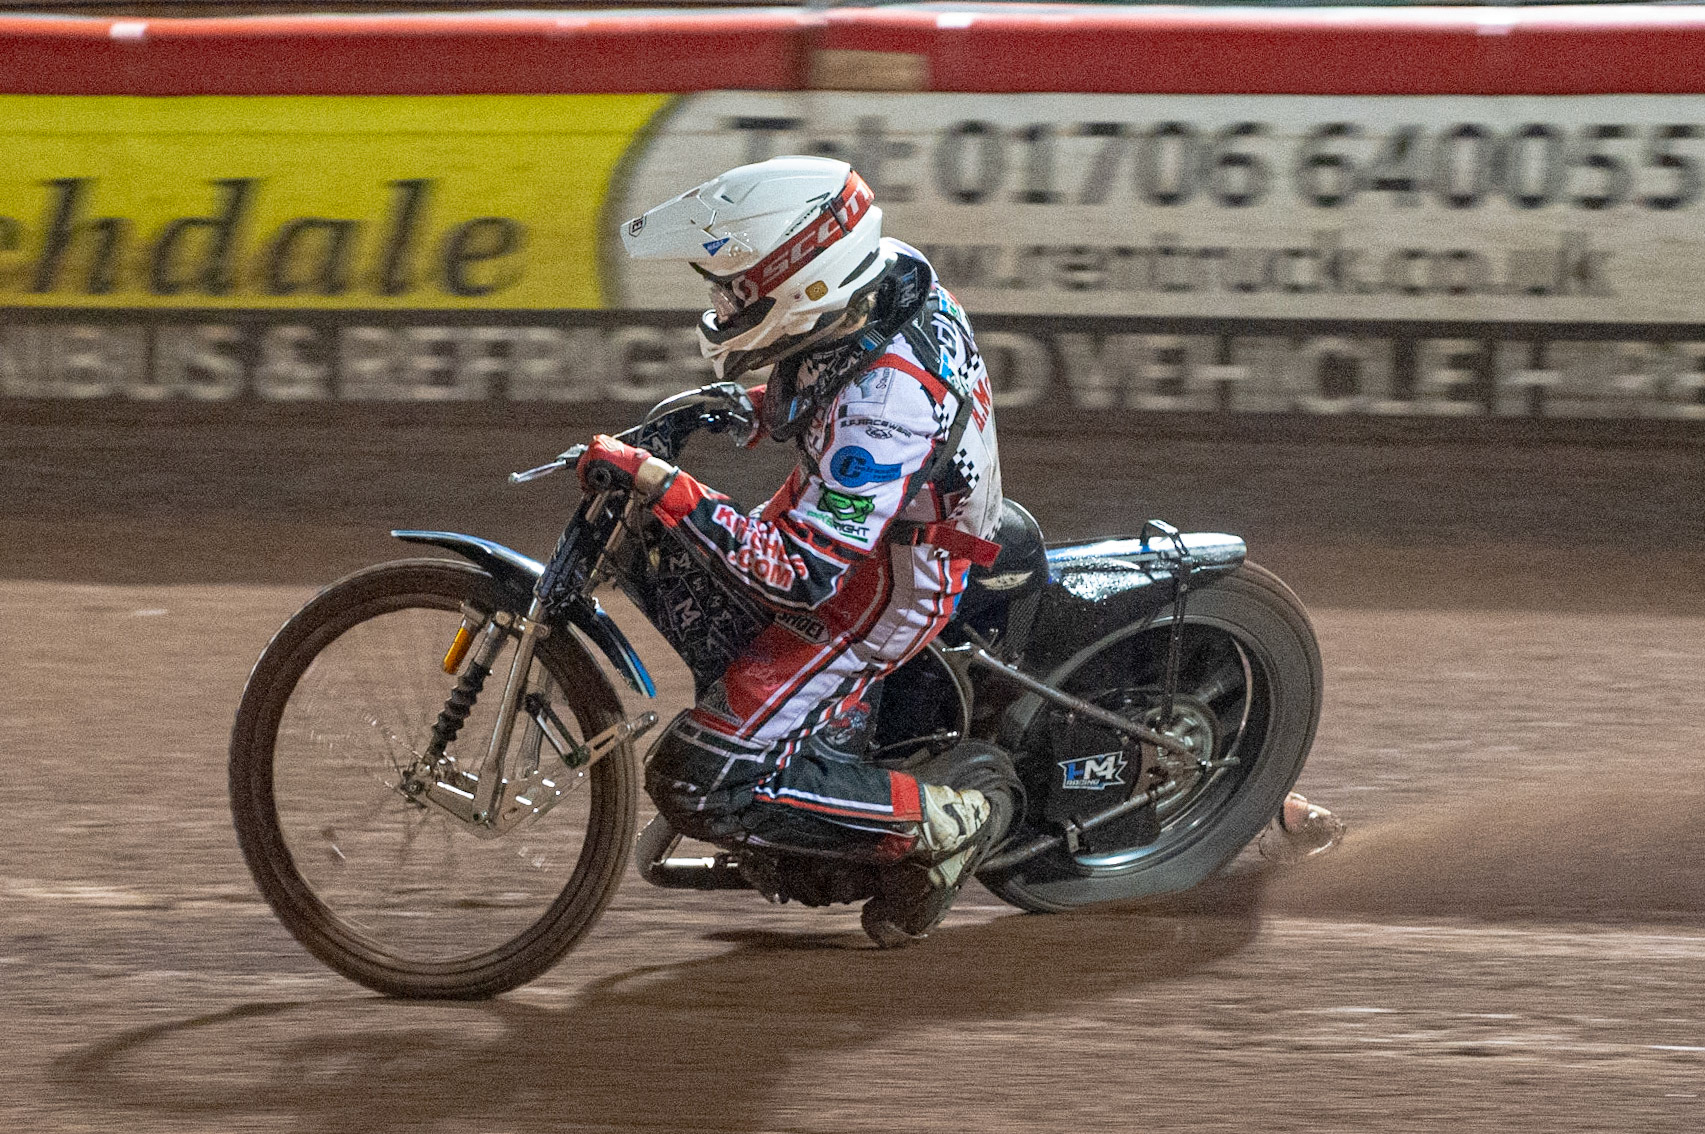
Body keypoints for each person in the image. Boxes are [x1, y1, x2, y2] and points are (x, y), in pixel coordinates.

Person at [577, 155, 1008, 946]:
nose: (720, 303)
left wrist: (669, 487)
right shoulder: (883, 280)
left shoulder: (892, 406)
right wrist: (720, 408)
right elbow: (822, 385)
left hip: (888, 583)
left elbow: (802, 574)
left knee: (696, 780)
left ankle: (948, 820)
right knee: (697, 564)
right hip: (867, 521)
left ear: (805, 275)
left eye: (735, 289)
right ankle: (814, 737)